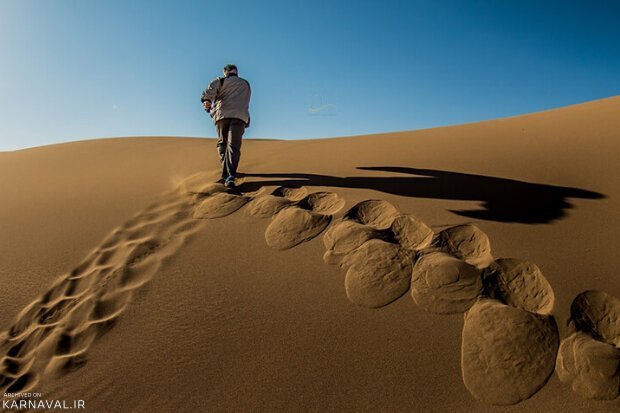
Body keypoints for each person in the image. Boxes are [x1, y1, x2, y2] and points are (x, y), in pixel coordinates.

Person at [201, 64, 252, 188]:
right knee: (233, 146)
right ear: (236, 71)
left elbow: (209, 92)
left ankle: (226, 174)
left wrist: (207, 101)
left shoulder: (221, 80)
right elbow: (246, 101)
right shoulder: (246, 84)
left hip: (222, 115)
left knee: (223, 143)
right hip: (240, 117)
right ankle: (230, 175)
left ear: (225, 72)